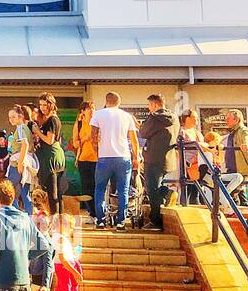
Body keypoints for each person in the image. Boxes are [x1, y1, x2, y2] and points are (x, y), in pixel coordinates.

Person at [89, 92, 139, 229]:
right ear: (119, 102)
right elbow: (134, 140)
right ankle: (121, 221)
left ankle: (100, 220)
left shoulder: (98, 114)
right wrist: (136, 157)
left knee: (100, 189)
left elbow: (92, 136)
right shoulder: (126, 116)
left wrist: (97, 152)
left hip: (104, 157)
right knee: (123, 190)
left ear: (106, 101)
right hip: (123, 157)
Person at [137, 94, 179, 230]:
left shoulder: (155, 118)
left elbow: (143, 132)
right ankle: (167, 193)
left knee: (152, 188)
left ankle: (156, 221)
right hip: (167, 158)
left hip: (153, 158)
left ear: (155, 105)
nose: (149, 109)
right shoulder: (174, 118)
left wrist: (141, 125)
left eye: (149, 105)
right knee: (156, 186)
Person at [33, 93, 67, 208]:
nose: (42, 107)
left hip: (51, 159)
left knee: (53, 194)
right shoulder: (50, 119)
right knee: (57, 193)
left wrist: (37, 131)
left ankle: (54, 222)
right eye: (41, 105)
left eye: (45, 105)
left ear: (51, 105)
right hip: (53, 156)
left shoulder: (52, 120)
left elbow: (50, 140)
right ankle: (59, 221)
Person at [5, 105, 34, 214]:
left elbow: (25, 144)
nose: (11, 119)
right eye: (9, 117)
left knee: (9, 192)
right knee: (24, 193)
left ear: (20, 116)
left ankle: (17, 216)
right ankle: (29, 218)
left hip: (18, 162)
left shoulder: (21, 128)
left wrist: (20, 163)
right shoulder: (25, 127)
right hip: (27, 161)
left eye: (13, 117)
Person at [73, 101, 97, 209]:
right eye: (88, 108)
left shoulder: (98, 123)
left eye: (93, 108)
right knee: (87, 188)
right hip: (84, 160)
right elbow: (75, 143)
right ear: (82, 111)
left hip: (98, 159)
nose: (92, 110)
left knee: (98, 187)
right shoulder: (79, 124)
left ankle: (99, 213)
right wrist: (85, 139)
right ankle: (91, 212)